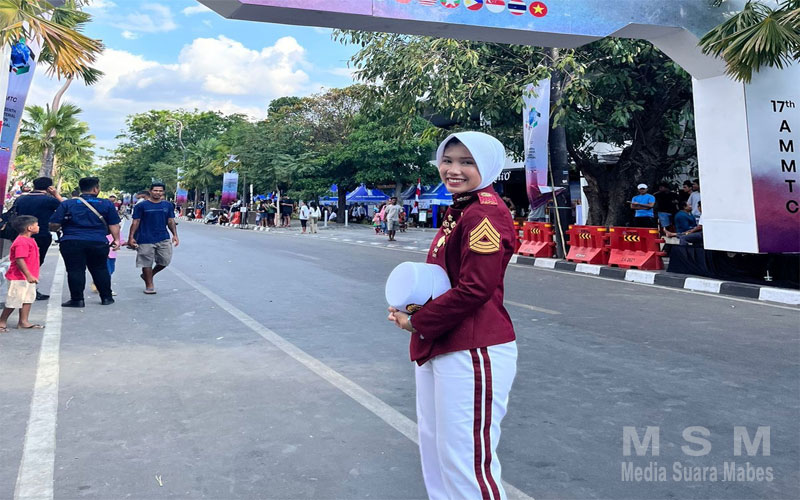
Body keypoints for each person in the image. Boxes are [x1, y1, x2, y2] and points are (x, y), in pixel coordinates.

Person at [387, 132, 517, 500]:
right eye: (448, 160)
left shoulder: (484, 213)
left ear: (487, 166)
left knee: (466, 463)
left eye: (467, 162)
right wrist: (411, 306)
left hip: (472, 348)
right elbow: (447, 279)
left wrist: (418, 322)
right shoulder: (461, 208)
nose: (453, 169)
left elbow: (475, 289)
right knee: (437, 451)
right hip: (442, 340)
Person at [49, 177, 121, 307]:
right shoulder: (106, 204)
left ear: (81, 189)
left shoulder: (68, 204)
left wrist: (61, 225)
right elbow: (114, 224)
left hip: (72, 241)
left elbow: (54, 224)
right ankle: (106, 297)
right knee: (100, 269)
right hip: (98, 241)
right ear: (96, 189)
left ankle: (77, 300)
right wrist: (116, 239)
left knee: (75, 270)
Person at [13, 177, 63, 300]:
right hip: (41, 235)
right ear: (49, 188)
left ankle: (21, 288)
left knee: (21, 261)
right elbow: (66, 207)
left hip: (21, 235)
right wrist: (56, 194)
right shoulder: (50, 200)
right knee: (35, 262)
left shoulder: (21, 199)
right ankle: (29, 288)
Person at [128, 183, 179, 294]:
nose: (158, 193)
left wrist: (175, 235)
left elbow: (170, 221)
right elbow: (136, 222)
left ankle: (149, 275)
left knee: (165, 260)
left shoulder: (167, 205)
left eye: (160, 191)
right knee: (146, 262)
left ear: (163, 192)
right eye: (155, 190)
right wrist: (131, 237)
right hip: (145, 238)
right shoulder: (141, 206)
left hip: (163, 237)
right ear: (150, 191)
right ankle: (149, 285)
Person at [0, 216, 44, 331]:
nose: (39, 227)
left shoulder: (30, 240)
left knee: (28, 299)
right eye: (36, 225)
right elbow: (20, 259)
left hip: (28, 276)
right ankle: (2, 321)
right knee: (14, 300)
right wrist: (28, 275)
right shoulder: (22, 242)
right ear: (30, 228)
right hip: (18, 277)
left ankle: (23, 321)